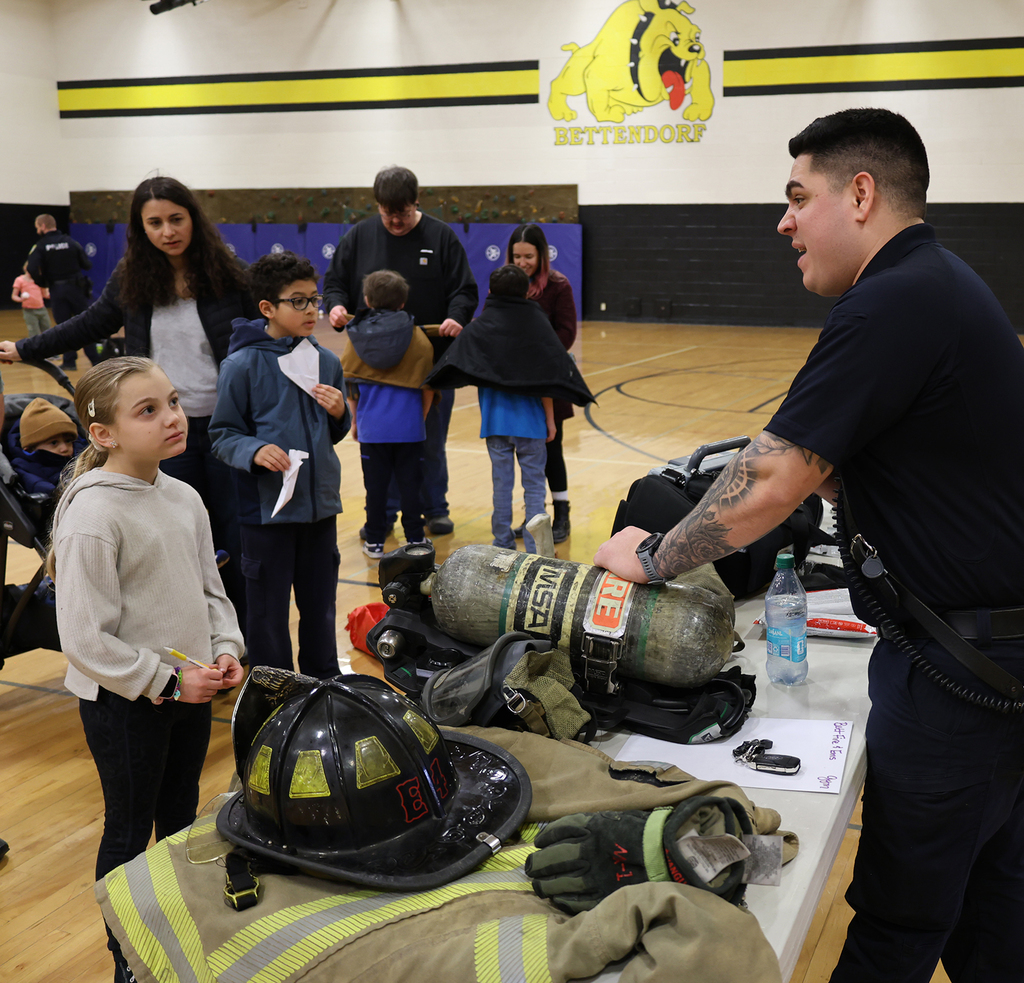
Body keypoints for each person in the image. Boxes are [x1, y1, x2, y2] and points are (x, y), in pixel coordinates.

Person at [594, 108, 1024, 983]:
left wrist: (652, 554)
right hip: (989, 654)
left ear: (860, 194)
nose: (783, 222)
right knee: (993, 911)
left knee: (900, 924)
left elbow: (771, 478)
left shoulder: (891, 299)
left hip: (959, 676)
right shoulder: (939, 282)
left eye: (798, 198)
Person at [47, 356, 244, 982]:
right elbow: (85, 639)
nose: (172, 418)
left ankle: (179, 941)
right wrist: (167, 680)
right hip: (124, 704)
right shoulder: (93, 516)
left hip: (187, 696)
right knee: (130, 834)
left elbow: (210, 590)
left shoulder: (184, 495)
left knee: (181, 822)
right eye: (148, 411)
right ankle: (128, 961)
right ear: (103, 434)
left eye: (174, 402)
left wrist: (225, 646)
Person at [0, 177, 259, 627]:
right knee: (180, 537)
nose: (168, 231)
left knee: (235, 537)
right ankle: (194, 632)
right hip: (163, 431)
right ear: (141, 229)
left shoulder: (229, 272)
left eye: (176, 219)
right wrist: (25, 348)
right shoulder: (132, 276)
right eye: (154, 223)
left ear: (193, 219)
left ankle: (237, 637)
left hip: (227, 429)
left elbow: (264, 335)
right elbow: (90, 323)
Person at [210, 251, 346, 679]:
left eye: (315, 299)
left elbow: (330, 435)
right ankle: (274, 691)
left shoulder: (327, 362)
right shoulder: (241, 365)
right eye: (298, 301)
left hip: (319, 509)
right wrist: (253, 450)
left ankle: (324, 683)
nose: (311, 310)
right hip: (265, 514)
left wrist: (340, 413)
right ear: (267, 307)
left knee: (320, 606)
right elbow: (222, 434)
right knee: (267, 612)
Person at [323, 165, 478, 539]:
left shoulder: (441, 237)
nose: (394, 221)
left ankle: (434, 509)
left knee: (430, 441)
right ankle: (384, 513)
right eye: (387, 213)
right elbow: (335, 282)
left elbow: (464, 289)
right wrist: (336, 305)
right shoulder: (360, 236)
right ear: (377, 205)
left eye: (403, 213)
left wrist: (456, 316)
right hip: (373, 368)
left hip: (429, 365)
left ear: (416, 202)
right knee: (380, 446)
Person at [341, 269, 434, 559]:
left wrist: (355, 420)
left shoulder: (356, 337)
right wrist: (420, 418)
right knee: (411, 488)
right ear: (402, 302)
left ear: (368, 300)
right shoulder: (418, 337)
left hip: (372, 429)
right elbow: (428, 386)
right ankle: (416, 539)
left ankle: (375, 542)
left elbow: (351, 385)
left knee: (375, 489)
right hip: (410, 429)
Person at [507, 223, 578, 542]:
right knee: (526, 452)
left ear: (541, 256)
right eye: (517, 256)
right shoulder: (506, 284)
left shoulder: (558, 285)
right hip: (516, 383)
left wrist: (535, 352)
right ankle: (534, 513)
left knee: (552, 448)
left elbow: (567, 332)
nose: (522, 263)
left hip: (548, 378)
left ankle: (562, 514)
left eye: (529, 257)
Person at [26, 213, 93, 369]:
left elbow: (31, 268)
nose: (37, 231)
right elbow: (87, 264)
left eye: (37, 227)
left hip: (57, 290)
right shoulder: (71, 242)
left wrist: (43, 283)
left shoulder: (41, 246)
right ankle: (96, 360)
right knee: (86, 324)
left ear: (43, 226)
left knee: (63, 327)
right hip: (77, 289)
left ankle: (69, 362)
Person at [6, 397, 85, 497]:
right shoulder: (24, 467)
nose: (65, 448)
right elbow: (37, 485)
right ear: (31, 448)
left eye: (68, 441)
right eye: (54, 443)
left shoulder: (82, 452)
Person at [10, 263, 51, 339]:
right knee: (34, 333)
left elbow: (45, 295)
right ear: (25, 268)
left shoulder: (39, 280)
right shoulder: (19, 280)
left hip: (42, 309)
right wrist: (21, 299)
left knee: (48, 330)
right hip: (29, 311)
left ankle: (48, 346)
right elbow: (14, 296)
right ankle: (36, 346)